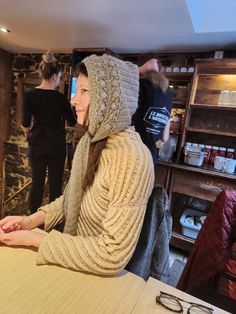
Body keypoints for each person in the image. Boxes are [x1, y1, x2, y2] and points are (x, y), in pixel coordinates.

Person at [0, 54, 154, 275]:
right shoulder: (89, 142)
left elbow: (112, 254)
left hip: (99, 277)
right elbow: (70, 200)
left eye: (84, 91)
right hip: (75, 263)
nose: (73, 99)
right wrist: (30, 221)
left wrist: (36, 240)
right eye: (77, 90)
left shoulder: (132, 158)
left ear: (109, 100)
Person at [21, 51, 76, 213]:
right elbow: (72, 122)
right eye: (59, 77)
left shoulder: (29, 95)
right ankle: (53, 223)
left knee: (37, 183)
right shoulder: (60, 98)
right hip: (56, 145)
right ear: (54, 76)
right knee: (55, 185)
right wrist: (71, 107)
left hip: (37, 143)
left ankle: (32, 220)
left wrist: (27, 134)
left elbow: (25, 123)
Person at [133, 58, 172, 168]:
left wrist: (140, 69)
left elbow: (119, 76)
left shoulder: (141, 84)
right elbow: (165, 137)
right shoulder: (168, 95)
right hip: (151, 158)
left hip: (134, 153)